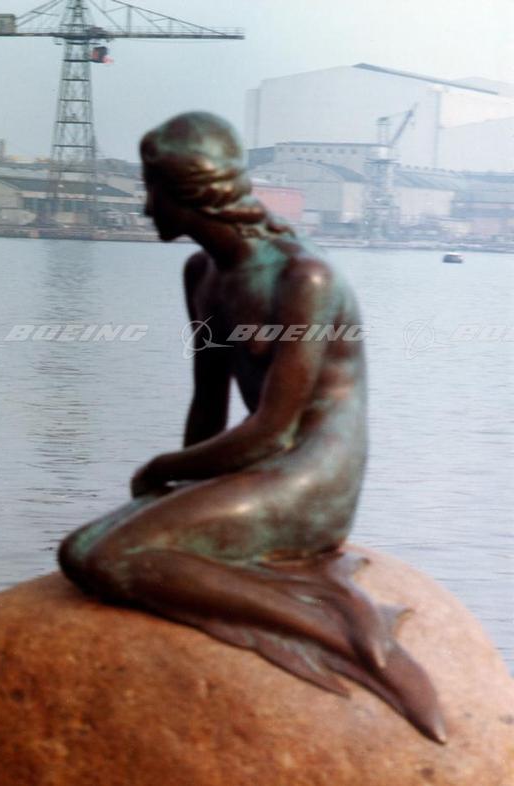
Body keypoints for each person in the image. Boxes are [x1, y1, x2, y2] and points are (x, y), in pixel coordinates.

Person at [57, 112, 444, 742]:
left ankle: (340, 628)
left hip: (312, 476)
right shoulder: (202, 275)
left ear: (190, 193)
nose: (145, 207)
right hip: (261, 467)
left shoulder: (303, 279)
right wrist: (175, 492)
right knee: (81, 552)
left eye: (151, 190)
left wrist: (160, 471)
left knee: (113, 556)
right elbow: (208, 404)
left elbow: (273, 431)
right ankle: (305, 605)